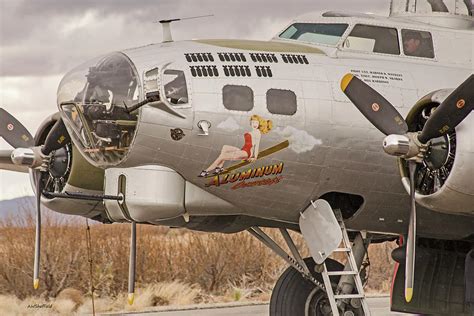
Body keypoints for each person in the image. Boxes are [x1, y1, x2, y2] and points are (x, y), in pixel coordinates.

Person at [198, 115, 272, 177]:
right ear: (250, 123)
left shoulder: (257, 133)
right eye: (253, 122)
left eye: (256, 122)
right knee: (225, 147)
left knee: (223, 156)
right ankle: (219, 168)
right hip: (243, 150)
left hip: (247, 153)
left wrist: (254, 157)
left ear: (259, 124)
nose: (254, 124)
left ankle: (206, 171)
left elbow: (257, 145)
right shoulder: (252, 131)